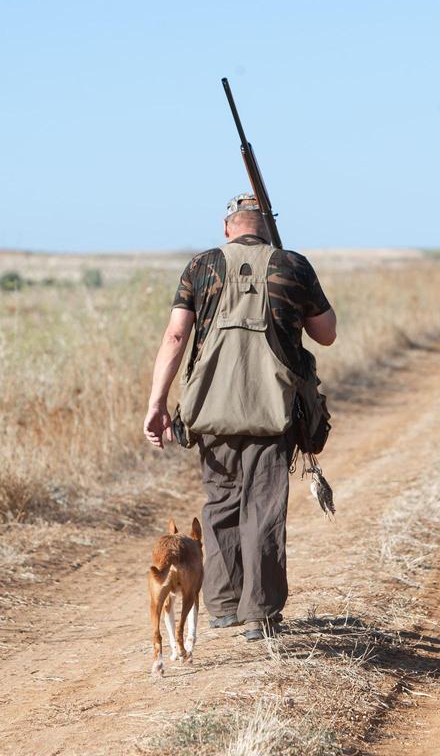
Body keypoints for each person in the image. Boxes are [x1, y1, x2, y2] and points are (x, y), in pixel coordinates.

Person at [143, 193, 337, 642]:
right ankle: (260, 615)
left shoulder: (201, 266)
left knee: (221, 506)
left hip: (211, 412)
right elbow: (325, 334)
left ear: (227, 227)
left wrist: (156, 403)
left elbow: (175, 336)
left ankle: (224, 606)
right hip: (272, 412)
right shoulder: (292, 265)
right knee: (263, 510)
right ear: (266, 227)